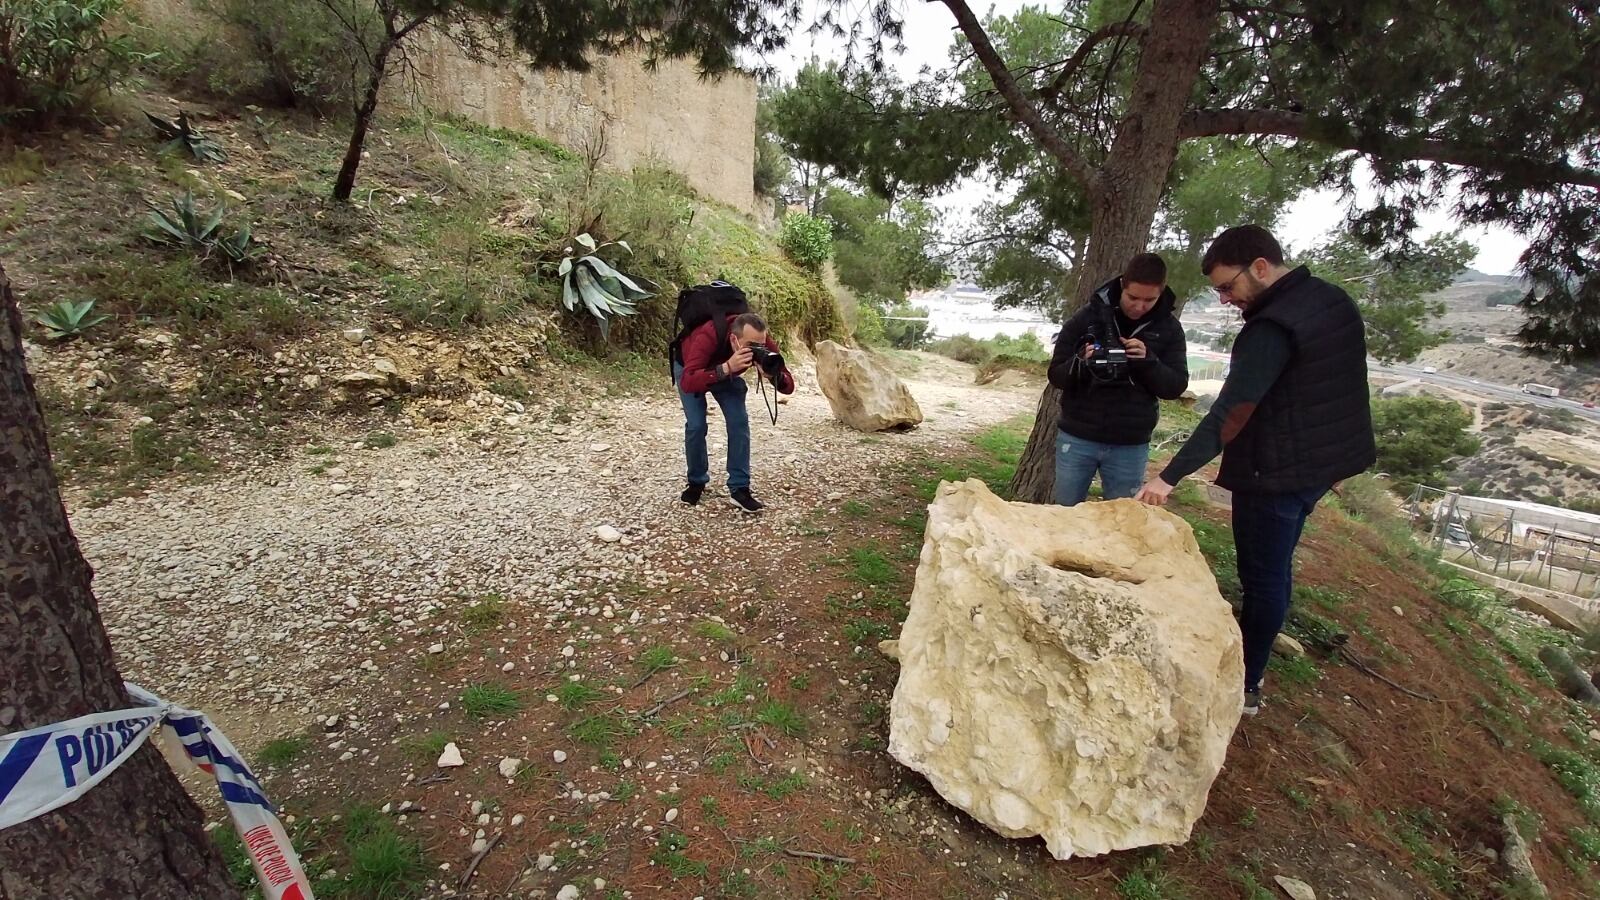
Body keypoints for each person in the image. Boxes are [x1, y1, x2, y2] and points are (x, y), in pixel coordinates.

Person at [1134, 225, 1377, 717]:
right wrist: (1337, 460)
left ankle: (1245, 682)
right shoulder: (1330, 300)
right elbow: (1340, 388)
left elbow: (1231, 412)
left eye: (1228, 286)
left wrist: (1168, 476)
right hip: (1318, 465)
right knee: (1278, 567)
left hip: (1276, 472)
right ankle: (1255, 661)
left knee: (1262, 577)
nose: (1226, 299)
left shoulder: (1272, 328)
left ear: (1261, 267)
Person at [1047, 252, 1189, 506]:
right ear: (1122, 285)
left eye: (1149, 300)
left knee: (1126, 519)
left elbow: (1175, 386)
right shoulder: (1087, 318)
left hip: (1130, 443)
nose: (1139, 306)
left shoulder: (1169, 329)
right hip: (1078, 436)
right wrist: (1081, 362)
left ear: (1161, 292)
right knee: (1065, 513)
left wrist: (1149, 361)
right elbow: (1056, 374)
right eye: (1133, 297)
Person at [674, 311, 795, 512]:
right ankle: (696, 482)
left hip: (726, 374)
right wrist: (727, 367)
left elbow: (789, 386)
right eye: (751, 346)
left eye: (761, 346)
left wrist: (773, 376)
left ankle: (740, 489)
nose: (757, 349)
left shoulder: (759, 340)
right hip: (690, 368)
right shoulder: (709, 334)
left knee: (739, 421)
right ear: (734, 339)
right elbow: (688, 382)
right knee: (696, 425)